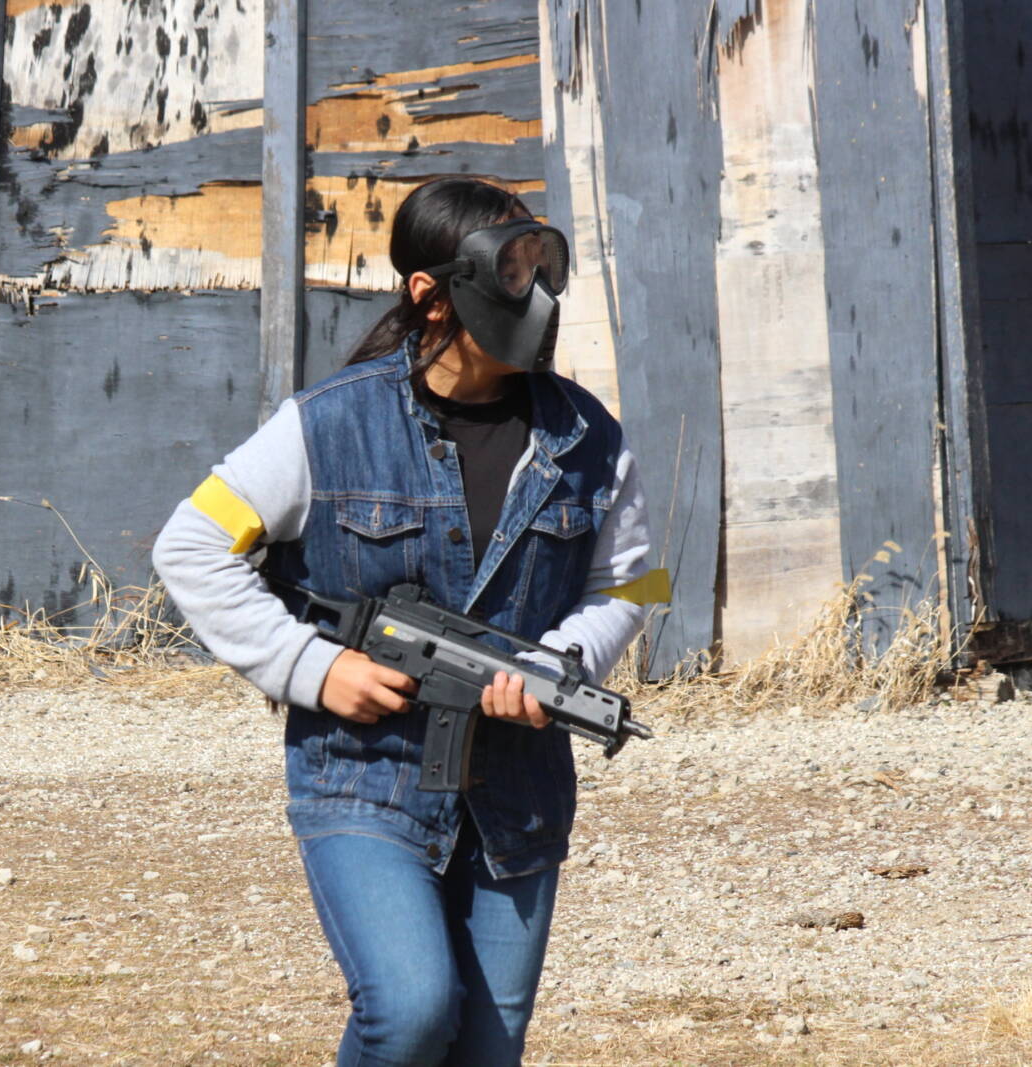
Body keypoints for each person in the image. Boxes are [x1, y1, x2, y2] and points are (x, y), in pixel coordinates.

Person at [152, 176, 659, 1066]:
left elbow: (638, 580)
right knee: (412, 1010)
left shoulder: (589, 440)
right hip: (364, 778)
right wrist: (312, 668)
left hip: (517, 798)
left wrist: (563, 661)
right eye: (511, 271)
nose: (537, 294)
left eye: (541, 265)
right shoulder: (328, 425)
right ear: (431, 294)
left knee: (486, 1051)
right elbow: (190, 545)